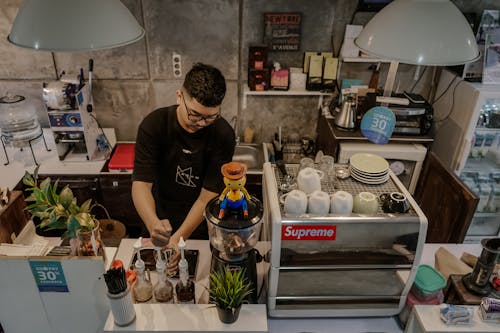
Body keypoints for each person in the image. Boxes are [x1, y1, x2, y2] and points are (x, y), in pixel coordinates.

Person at [132, 63, 235, 267]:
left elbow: (207, 196)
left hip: (199, 223)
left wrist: (179, 239)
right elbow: (141, 184)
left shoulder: (223, 135)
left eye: (210, 117)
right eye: (195, 114)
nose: (202, 123)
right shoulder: (154, 125)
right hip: (158, 217)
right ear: (179, 96)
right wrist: (154, 224)